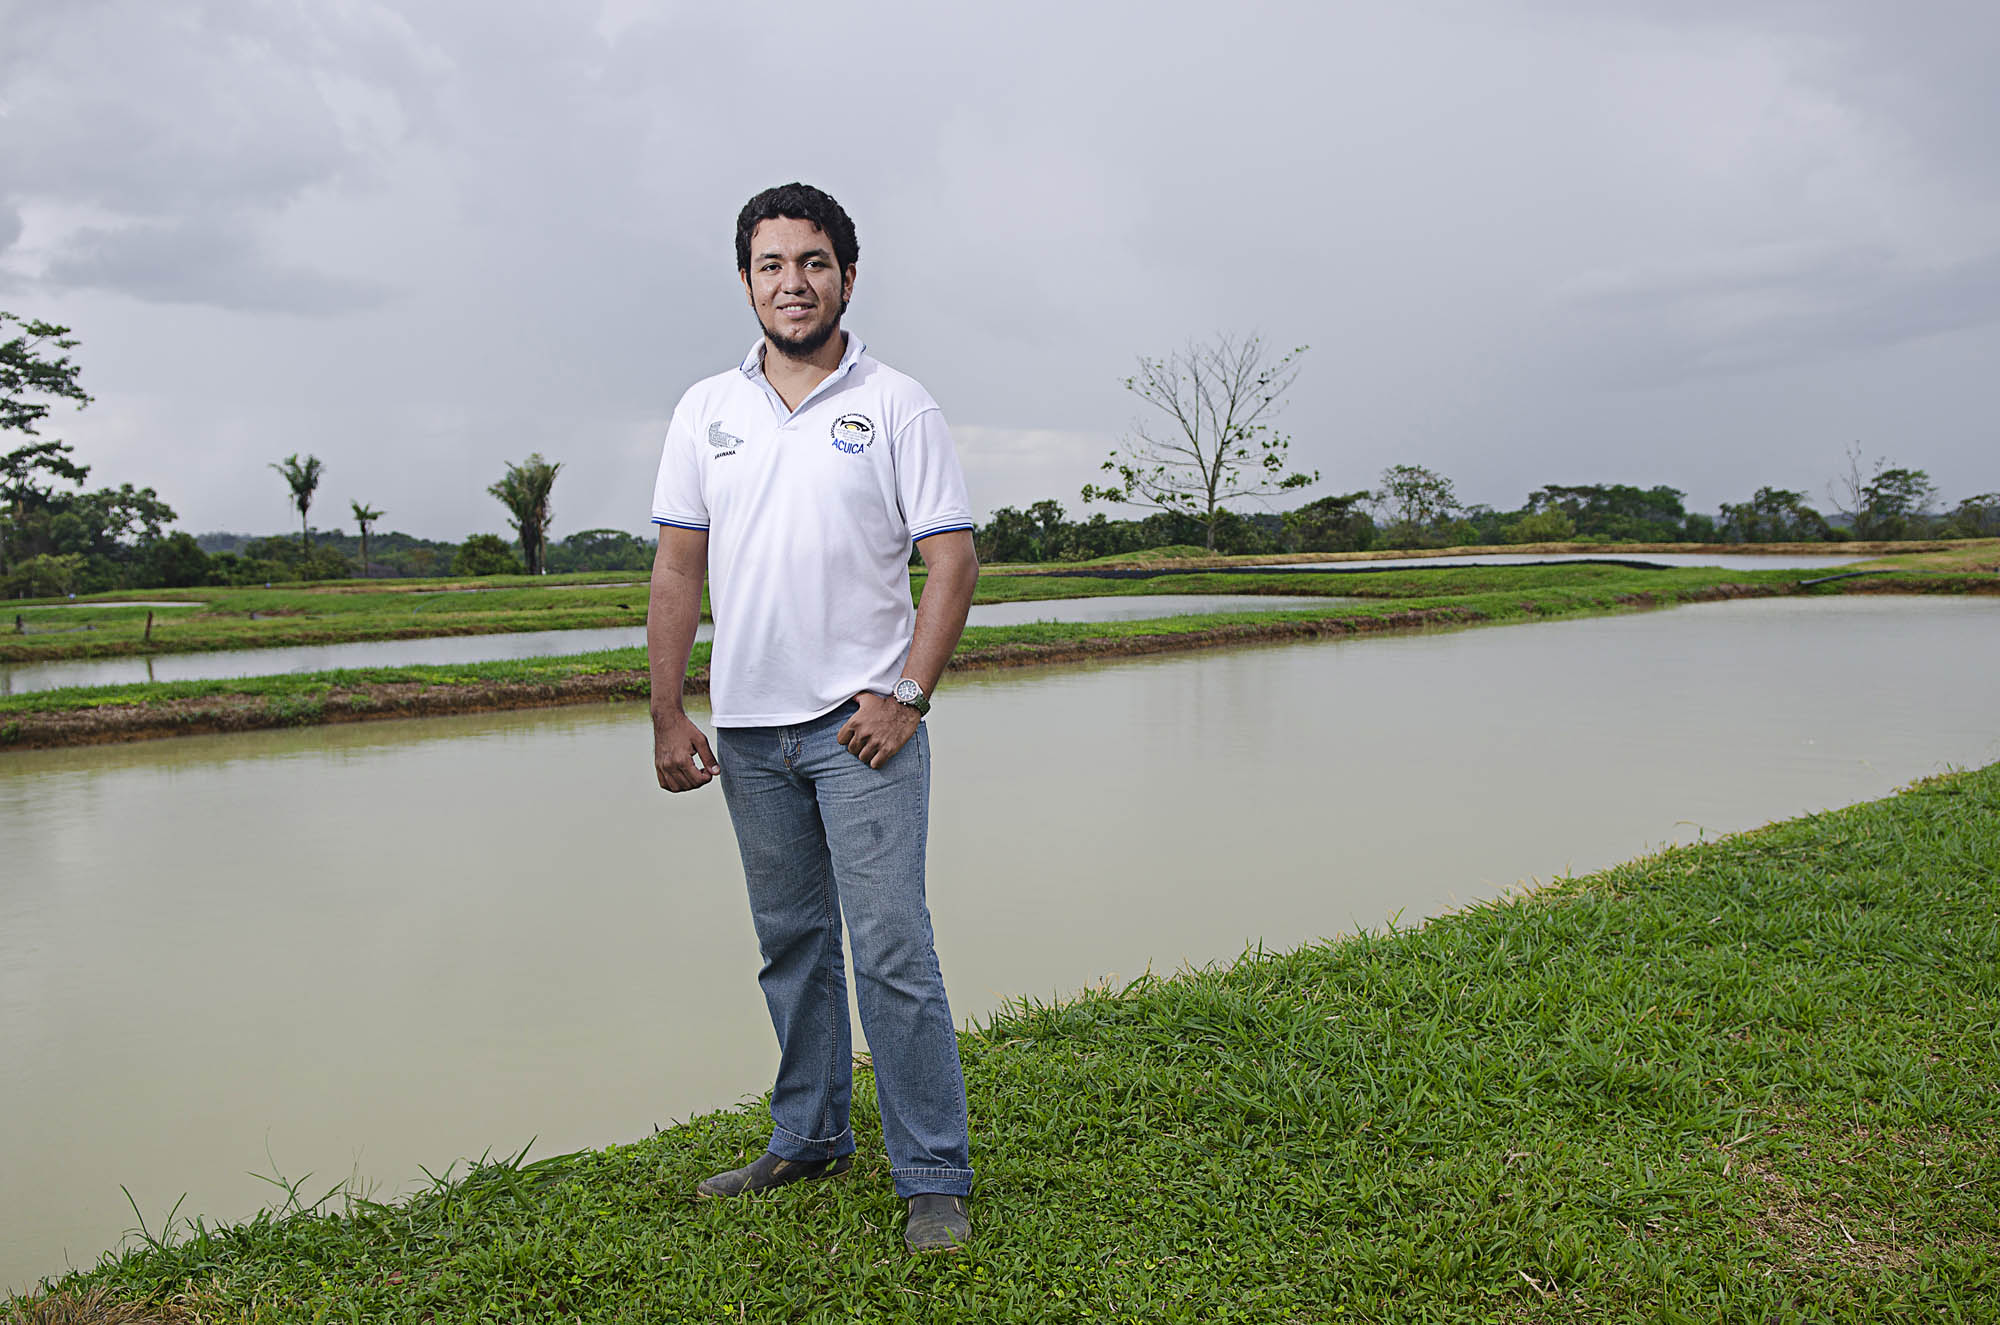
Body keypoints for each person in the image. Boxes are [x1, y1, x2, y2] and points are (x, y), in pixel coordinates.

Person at [646, 182, 980, 1253]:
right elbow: (676, 566)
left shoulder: (894, 403)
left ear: (847, 272)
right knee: (790, 943)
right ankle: (810, 1134)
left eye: (813, 262)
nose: (793, 283)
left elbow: (951, 559)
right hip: (747, 731)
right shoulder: (706, 408)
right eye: (771, 264)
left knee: (889, 948)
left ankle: (932, 1171)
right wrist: (668, 711)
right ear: (745, 279)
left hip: (858, 728)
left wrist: (908, 693)